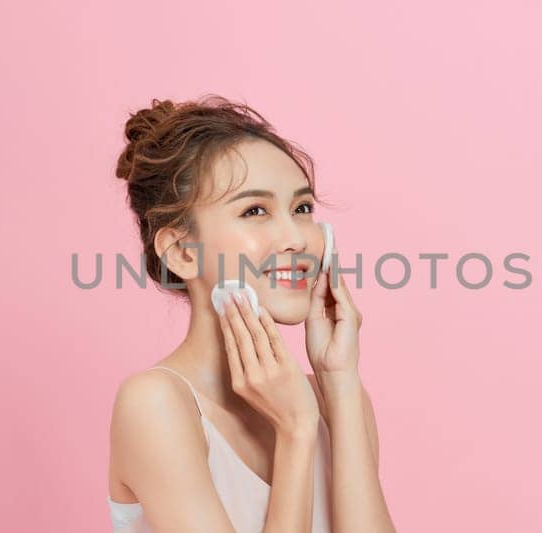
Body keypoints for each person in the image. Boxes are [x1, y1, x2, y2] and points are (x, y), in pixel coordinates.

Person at [106, 95, 396, 532]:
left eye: (302, 209)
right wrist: (296, 433)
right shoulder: (157, 405)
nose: (297, 238)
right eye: (255, 211)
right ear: (183, 252)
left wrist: (340, 383)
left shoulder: (334, 399)